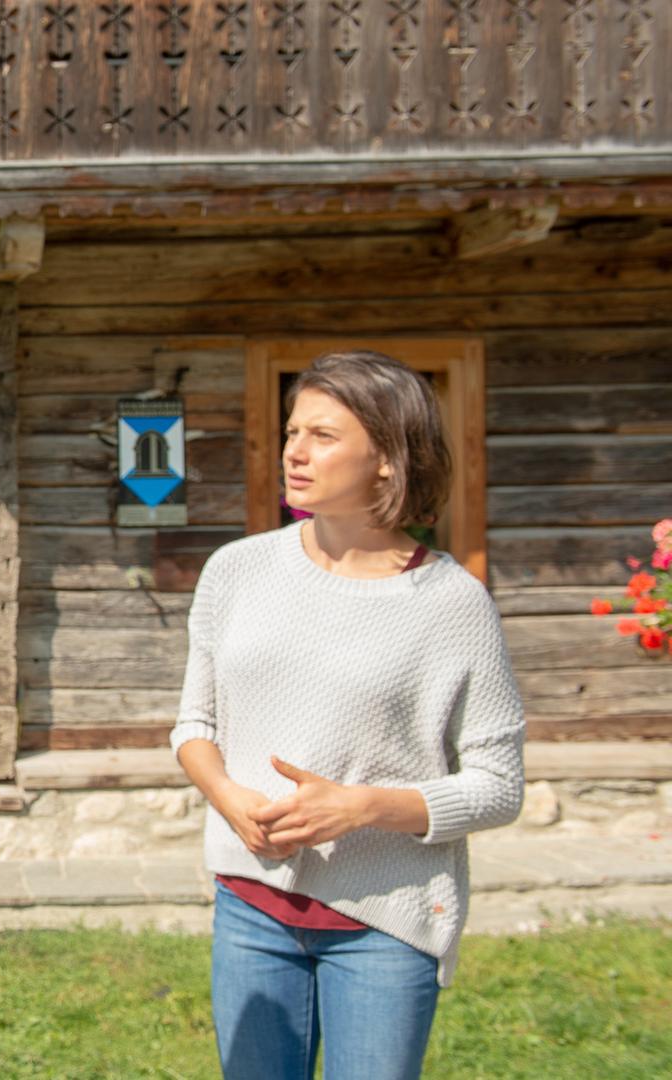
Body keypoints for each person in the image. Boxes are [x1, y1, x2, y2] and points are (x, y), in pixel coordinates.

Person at [172, 350, 525, 1080]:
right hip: (250, 907)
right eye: (293, 431)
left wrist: (362, 807)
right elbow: (194, 726)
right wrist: (228, 797)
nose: (295, 452)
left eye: (323, 436)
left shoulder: (451, 603)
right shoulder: (235, 571)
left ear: (390, 460)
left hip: (385, 922)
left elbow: (499, 786)